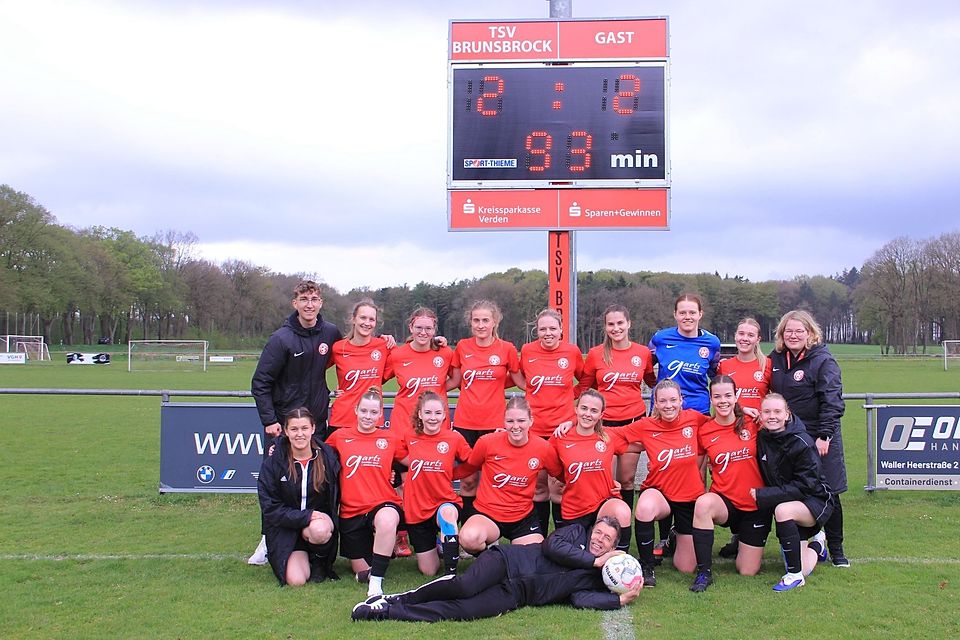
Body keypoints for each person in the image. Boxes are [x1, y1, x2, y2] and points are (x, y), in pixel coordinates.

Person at [350, 516, 643, 622]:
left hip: (516, 594)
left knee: (463, 610)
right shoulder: (576, 533)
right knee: (464, 586)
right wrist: (592, 560)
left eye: (607, 539)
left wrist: (619, 600)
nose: (599, 539)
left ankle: (387, 612)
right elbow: (551, 546)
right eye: (598, 533)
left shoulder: (599, 576)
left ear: (614, 546)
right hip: (506, 561)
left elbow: (579, 599)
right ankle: (397, 598)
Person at [248, 280, 342, 565]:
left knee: (316, 483)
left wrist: (387, 340)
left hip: (316, 426)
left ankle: (315, 538)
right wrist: (270, 420)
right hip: (284, 427)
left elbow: (353, 350)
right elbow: (260, 382)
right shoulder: (281, 339)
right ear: (295, 303)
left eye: (314, 299)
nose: (309, 305)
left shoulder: (330, 333)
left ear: (321, 302)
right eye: (304, 299)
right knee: (276, 485)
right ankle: (267, 539)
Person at [606, 379, 709, 587]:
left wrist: (746, 413)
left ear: (681, 400)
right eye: (663, 401)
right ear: (655, 403)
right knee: (644, 507)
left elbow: (722, 424)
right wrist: (573, 424)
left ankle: (672, 537)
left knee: (686, 567)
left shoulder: (694, 419)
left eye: (673, 400)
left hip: (689, 497)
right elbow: (612, 433)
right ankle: (647, 566)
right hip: (660, 493)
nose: (668, 405)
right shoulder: (646, 426)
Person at [769, 310, 848, 567]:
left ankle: (837, 550)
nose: (793, 335)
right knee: (795, 491)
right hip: (789, 439)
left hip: (819, 437)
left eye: (799, 331)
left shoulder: (822, 360)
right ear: (782, 334)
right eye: (788, 331)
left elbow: (832, 400)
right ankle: (809, 542)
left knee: (829, 491)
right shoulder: (775, 359)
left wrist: (824, 435)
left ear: (810, 333)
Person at [688, 376, 771, 593]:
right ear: (711, 399)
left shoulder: (753, 423)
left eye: (727, 395)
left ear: (736, 397)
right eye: (717, 396)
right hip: (726, 503)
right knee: (704, 504)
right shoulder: (705, 430)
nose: (723, 401)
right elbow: (697, 468)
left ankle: (741, 541)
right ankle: (704, 573)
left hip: (755, 504)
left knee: (747, 570)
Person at [325, 388, 407, 597]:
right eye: (364, 411)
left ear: (380, 414)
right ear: (356, 410)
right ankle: (381, 557)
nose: (368, 416)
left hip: (383, 504)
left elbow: (412, 460)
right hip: (351, 512)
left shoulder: (389, 438)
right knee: (361, 570)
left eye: (373, 412)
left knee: (387, 520)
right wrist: (279, 447)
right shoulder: (339, 437)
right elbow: (316, 454)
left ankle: (376, 583)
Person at [447, 300, 525, 519]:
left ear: (495, 322)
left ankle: (493, 529)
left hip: (495, 424)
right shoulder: (462, 347)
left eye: (485, 320)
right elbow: (455, 381)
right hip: (465, 423)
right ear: (470, 322)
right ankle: (467, 531)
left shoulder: (507, 349)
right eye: (476, 320)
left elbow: (520, 381)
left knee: (494, 479)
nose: (480, 325)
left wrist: (552, 390)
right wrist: (425, 387)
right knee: (468, 480)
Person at [455, 396, 561, 555]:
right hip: (488, 514)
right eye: (510, 421)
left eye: (521, 421)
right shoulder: (487, 442)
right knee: (469, 538)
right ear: (503, 422)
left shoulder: (543, 448)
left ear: (531, 421)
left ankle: (507, 558)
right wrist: (443, 475)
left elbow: (560, 475)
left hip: (522, 517)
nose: (515, 426)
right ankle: (491, 558)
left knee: (534, 557)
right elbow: (469, 467)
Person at [577, 304, 656, 512]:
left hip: (633, 422)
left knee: (627, 480)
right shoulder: (595, 354)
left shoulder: (642, 353)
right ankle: (603, 523)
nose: (616, 328)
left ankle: (624, 524)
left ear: (629, 324)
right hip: (605, 425)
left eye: (620, 323)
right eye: (611, 324)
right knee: (606, 481)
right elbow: (584, 387)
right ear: (605, 327)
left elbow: (653, 382)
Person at [752, 393, 835, 591]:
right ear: (760, 415)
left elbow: (806, 486)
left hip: (814, 499)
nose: (772, 416)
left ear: (787, 414)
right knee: (805, 566)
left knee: (782, 510)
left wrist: (764, 495)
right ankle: (818, 544)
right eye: (767, 412)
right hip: (790, 499)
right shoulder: (763, 437)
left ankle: (794, 577)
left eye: (777, 411)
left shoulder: (802, 441)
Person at [257, 407, 340, 586]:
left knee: (319, 530)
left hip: (316, 525)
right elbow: (270, 509)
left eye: (304, 428)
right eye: (294, 429)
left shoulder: (327, 458)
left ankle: (319, 562)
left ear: (313, 429)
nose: (299, 434)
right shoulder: (274, 463)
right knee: (296, 581)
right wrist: (307, 515)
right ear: (286, 431)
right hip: (286, 529)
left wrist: (393, 475)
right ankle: (301, 557)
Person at [520, 308, 584, 534]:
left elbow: (585, 380)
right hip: (535, 428)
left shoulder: (572, 351)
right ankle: (539, 538)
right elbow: (521, 377)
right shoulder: (527, 351)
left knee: (558, 485)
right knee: (538, 486)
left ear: (561, 329)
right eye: (543, 329)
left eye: (552, 328)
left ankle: (560, 539)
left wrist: (570, 396)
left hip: (562, 428)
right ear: (537, 331)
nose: (548, 333)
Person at [546, 389, 633, 552]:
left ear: (601, 415)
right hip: (574, 509)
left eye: (594, 411)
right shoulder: (560, 437)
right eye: (584, 408)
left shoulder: (608, 436)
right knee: (579, 557)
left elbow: (644, 435)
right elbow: (551, 467)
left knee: (622, 510)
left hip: (602, 504)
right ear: (576, 409)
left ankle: (621, 559)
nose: (587, 414)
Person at [715, 317, 771, 558]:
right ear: (735, 336)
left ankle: (757, 534)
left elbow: (775, 398)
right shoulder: (725, 366)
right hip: (732, 434)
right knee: (736, 484)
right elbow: (719, 398)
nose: (744, 338)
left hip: (760, 436)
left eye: (750, 335)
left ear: (758, 339)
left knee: (762, 482)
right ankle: (737, 536)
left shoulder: (767, 365)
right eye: (741, 334)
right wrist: (740, 410)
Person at [399, 391, 472, 576]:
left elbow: (472, 461)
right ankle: (441, 546)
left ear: (444, 415)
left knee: (447, 514)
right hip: (417, 509)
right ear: (420, 414)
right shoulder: (408, 437)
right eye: (428, 413)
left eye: (438, 413)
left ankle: (450, 575)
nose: (433, 418)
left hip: (444, 501)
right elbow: (395, 456)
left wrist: (453, 474)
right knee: (429, 570)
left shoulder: (454, 438)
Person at [385, 307, 455, 437]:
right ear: (411, 328)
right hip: (404, 425)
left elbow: (457, 379)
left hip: (435, 424)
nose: (423, 332)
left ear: (434, 330)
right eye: (418, 328)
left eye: (428, 328)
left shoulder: (445, 353)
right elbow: (375, 377)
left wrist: (436, 388)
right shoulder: (397, 355)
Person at [327, 299, 395, 431]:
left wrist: (434, 343)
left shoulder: (384, 345)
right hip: (342, 419)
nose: (367, 323)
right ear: (353, 319)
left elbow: (410, 360)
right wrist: (329, 391)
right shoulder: (338, 348)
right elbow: (315, 369)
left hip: (372, 420)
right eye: (363, 318)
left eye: (371, 319)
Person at [648, 293, 721, 415]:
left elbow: (716, 375)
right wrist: (655, 386)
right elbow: (645, 367)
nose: (687, 317)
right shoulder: (660, 339)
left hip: (698, 410)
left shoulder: (712, 343)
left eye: (692, 313)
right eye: (682, 313)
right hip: (664, 410)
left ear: (700, 314)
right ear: (675, 314)